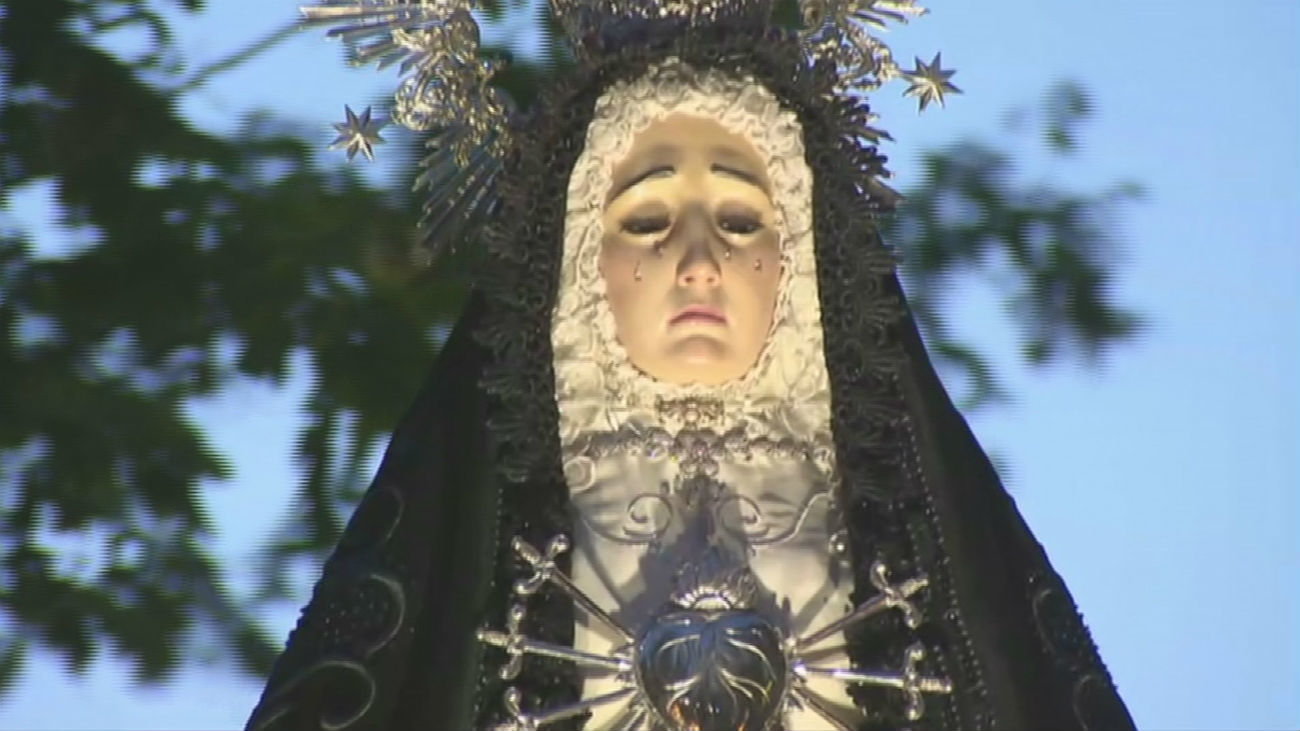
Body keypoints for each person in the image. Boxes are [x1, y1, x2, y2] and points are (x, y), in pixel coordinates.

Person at [246, 2, 1136, 729]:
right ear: (578, 270)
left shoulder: (919, 556)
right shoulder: (469, 555)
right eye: (645, 219)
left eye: (742, 221)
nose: (699, 259)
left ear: (798, 266)